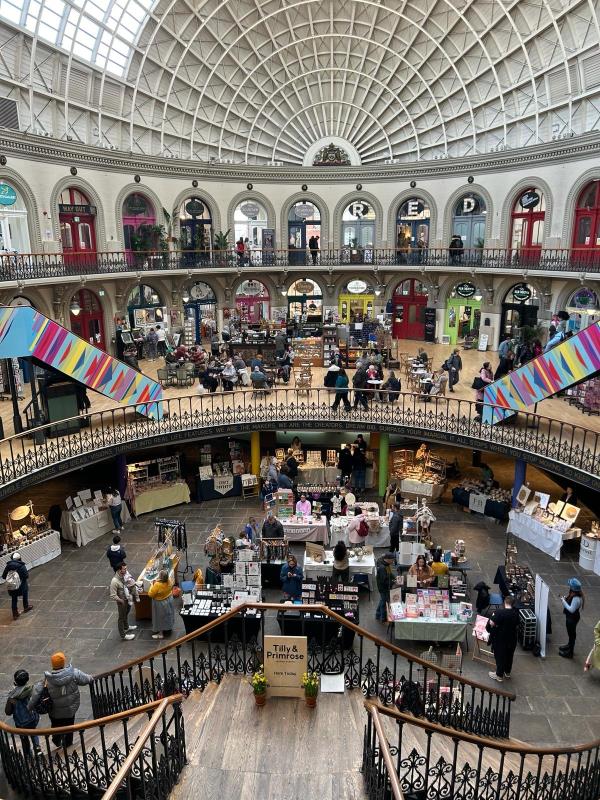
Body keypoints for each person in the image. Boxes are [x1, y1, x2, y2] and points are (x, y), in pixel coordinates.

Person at [29, 652, 92, 746]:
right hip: (71, 710)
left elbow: (36, 694)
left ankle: (57, 740)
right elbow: (87, 679)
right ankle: (68, 743)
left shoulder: (47, 679)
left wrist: (29, 707)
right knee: (70, 727)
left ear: (52, 664)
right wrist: (91, 679)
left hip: (55, 712)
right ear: (63, 663)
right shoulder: (74, 674)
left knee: (56, 726)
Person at [5, 669, 41, 755]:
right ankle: (37, 748)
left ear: (16, 682)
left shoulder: (12, 697)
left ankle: (27, 754)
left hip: (20, 723)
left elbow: (8, 712)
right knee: (34, 733)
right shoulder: (32, 690)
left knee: (24, 738)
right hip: (32, 719)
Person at [487, 595, 519, 682]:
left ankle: (499, 675)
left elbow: (491, 623)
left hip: (501, 639)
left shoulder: (499, 612)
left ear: (505, 602)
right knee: (509, 655)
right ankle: (507, 672)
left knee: (500, 656)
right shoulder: (516, 613)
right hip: (512, 639)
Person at [110, 562, 138, 641]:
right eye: (124, 569)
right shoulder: (114, 581)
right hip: (122, 602)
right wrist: (121, 601)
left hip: (127, 599)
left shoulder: (124, 576)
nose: (126, 570)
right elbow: (113, 595)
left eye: (126, 568)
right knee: (121, 618)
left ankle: (126, 627)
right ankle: (123, 635)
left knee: (126, 613)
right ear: (119, 570)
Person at [2, 551, 33, 620]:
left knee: (14, 599)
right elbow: (26, 576)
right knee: (25, 595)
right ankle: (26, 607)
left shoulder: (8, 566)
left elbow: (4, 576)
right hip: (21, 586)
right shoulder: (21, 566)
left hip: (12, 587)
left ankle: (15, 614)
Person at [559, 578, 584, 658]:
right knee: (571, 634)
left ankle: (570, 653)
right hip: (572, 618)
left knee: (572, 635)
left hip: (572, 619)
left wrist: (563, 601)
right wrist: (565, 598)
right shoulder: (574, 595)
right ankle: (569, 646)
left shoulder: (576, 599)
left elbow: (571, 609)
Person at [148, 570, 175, 640]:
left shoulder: (157, 585)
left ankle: (160, 634)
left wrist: (152, 585)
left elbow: (150, 594)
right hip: (169, 599)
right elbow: (171, 586)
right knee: (168, 615)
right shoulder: (168, 580)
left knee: (159, 618)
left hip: (160, 603)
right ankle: (168, 626)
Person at [375, 553, 396, 622]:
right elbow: (383, 581)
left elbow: (390, 573)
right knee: (384, 602)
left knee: (382, 600)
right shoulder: (382, 568)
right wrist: (393, 582)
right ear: (388, 559)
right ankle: (383, 618)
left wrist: (394, 578)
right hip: (383, 588)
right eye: (392, 560)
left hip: (384, 587)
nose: (393, 561)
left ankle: (378, 614)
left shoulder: (387, 565)